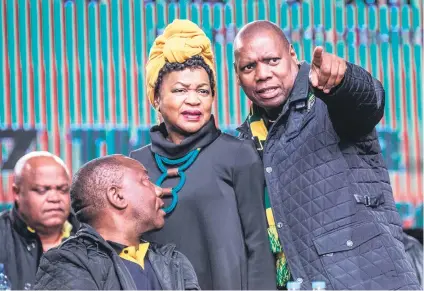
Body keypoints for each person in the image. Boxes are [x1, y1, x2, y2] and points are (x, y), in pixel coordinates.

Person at [233, 20, 421, 290]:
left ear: (293, 56)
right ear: (238, 76)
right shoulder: (245, 143)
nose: (262, 74)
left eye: (272, 60)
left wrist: (344, 81)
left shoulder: (327, 100)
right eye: (249, 67)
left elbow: (370, 101)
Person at [130, 19, 276, 290]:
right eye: (180, 90)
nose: (194, 100)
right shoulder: (135, 166)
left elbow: (258, 247)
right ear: (156, 98)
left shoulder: (237, 155)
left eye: (203, 91)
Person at [33, 155, 199, 290]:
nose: (159, 190)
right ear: (117, 197)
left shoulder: (174, 261)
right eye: (145, 180)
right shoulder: (66, 262)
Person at [0, 151, 80, 290]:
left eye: (63, 189)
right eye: (42, 190)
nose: (55, 198)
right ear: (17, 192)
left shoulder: (93, 237)